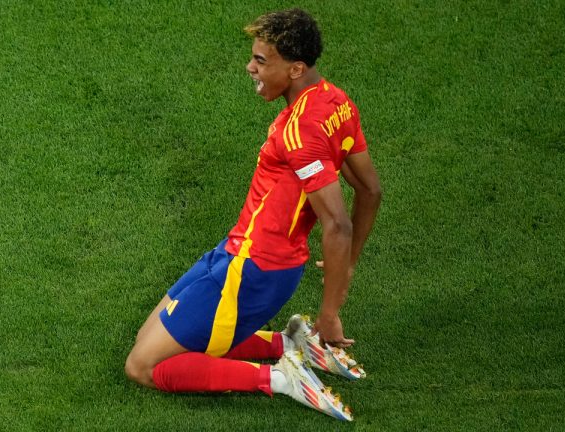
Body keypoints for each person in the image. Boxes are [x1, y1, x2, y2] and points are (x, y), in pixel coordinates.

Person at [125, 8, 381, 421]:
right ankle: (291, 345)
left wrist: (330, 313)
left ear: (295, 68)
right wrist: (348, 263)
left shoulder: (299, 131)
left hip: (255, 271)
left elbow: (338, 223)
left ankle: (281, 377)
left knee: (143, 366)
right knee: (147, 338)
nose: (250, 68)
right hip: (236, 251)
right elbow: (370, 189)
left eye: (261, 61)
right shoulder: (336, 102)